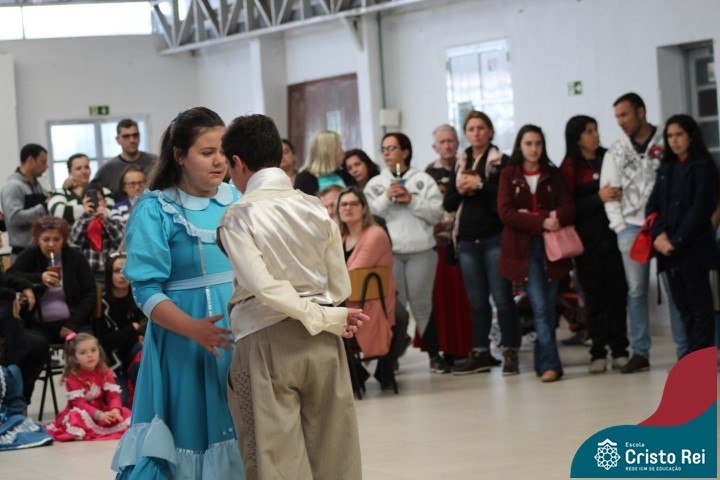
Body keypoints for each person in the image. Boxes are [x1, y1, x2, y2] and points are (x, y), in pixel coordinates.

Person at [218, 114, 365, 480]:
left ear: (237, 162)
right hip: (324, 337)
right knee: (336, 452)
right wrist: (326, 315)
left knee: (274, 458)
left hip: (265, 335)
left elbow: (262, 285)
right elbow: (339, 284)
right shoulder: (314, 206)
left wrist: (320, 316)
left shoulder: (238, 214)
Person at [111, 107, 244, 479]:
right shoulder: (156, 208)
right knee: (192, 429)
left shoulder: (236, 198)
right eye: (207, 152)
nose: (219, 161)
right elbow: (145, 290)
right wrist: (193, 329)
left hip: (238, 331)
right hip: (183, 340)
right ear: (180, 155)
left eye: (223, 151)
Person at [600, 92, 685, 373]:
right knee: (636, 291)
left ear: (640, 112)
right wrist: (619, 226)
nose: (620, 121)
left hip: (666, 226)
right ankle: (640, 352)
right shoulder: (616, 151)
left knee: (674, 287)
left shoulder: (666, 141)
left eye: (624, 114)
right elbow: (608, 192)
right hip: (631, 227)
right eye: (617, 117)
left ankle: (684, 350)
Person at [443, 113, 520, 375]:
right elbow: (448, 203)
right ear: (466, 133)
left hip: (494, 238)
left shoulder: (502, 161)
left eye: (481, 128)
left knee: (502, 298)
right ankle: (480, 352)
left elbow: (505, 200)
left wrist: (481, 185)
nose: (476, 133)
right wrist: (461, 190)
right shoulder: (460, 161)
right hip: (466, 240)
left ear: (490, 131)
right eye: (471, 129)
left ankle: (510, 351)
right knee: (477, 301)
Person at [497, 125, 575, 383]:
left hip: (552, 248)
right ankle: (551, 365)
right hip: (523, 249)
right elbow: (506, 213)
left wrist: (533, 217)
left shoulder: (553, 174)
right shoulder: (509, 175)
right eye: (529, 143)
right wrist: (541, 220)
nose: (534, 149)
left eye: (538, 143)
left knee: (548, 308)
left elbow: (568, 209)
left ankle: (543, 362)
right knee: (541, 307)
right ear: (520, 146)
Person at [364, 132, 447, 372]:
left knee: (421, 304)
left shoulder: (422, 179)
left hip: (421, 251)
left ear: (405, 151)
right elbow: (367, 216)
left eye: (392, 148)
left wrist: (411, 200)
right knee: (395, 308)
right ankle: (392, 358)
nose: (387, 153)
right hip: (389, 255)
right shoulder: (376, 184)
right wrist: (386, 198)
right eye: (384, 149)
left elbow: (436, 214)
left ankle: (434, 356)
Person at [560, 115, 630, 373]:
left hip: (614, 237)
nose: (595, 135)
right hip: (587, 243)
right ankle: (598, 352)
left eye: (596, 130)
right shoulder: (569, 166)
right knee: (594, 298)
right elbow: (569, 208)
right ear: (577, 137)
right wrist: (597, 197)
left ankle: (620, 349)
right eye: (589, 131)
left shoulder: (608, 157)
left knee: (617, 295)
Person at [646, 114, 719, 356]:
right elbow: (653, 206)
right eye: (670, 136)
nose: (674, 141)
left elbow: (700, 210)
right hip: (668, 251)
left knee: (700, 307)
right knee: (683, 307)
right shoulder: (666, 168)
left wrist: (675, 241)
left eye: (679, 135)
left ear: (691, 136)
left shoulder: (703, 167)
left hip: (693, 248)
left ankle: (700, 362)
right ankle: (690, 359)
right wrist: (660, 235)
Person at [9, 216, 96, 400]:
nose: (51, 245)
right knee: (31, 347)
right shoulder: (30, 255)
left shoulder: (75, 257)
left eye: (56, 239)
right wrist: (38, 278)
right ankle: (21, 400)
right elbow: (11, 275)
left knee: (86, 345)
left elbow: (90, 293)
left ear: (64, 239)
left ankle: (90, 400)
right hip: (38, 325)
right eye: (46, 239)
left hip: (72, 322)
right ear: (37, 239)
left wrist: (72, 324)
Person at [337, 186, 398, 389]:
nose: (348, 208)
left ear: (364, 208)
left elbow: (352, 272)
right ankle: (356, 374)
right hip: (348, 298)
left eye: (354, 204)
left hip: (370, 303)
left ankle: (356, 374)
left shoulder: (375, 234)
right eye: (344, 204)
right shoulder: (340, 236)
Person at [45, 332, 131, 441]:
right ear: (74, 358)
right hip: (85, 412)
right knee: (75, 415)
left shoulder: (105, 372)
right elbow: (79, 404)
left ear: (99, 351)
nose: (90, 355)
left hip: (102, 411)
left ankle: (107, 422)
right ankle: (82, 430)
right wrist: (98, 415)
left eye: (93, 350)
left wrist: (115, 410)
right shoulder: (73, 377)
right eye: (83, 352)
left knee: (125, 412)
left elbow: (113, 395)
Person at [95, 251, 146, 404]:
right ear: (108, 274)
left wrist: (133, 331)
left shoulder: (139, 296)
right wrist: (132, 328)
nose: (122, 276)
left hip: (133, 355)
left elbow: (145, 328)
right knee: (121, 402)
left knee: (143, 352)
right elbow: (105, 341)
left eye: (126, 271)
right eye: (117, 271)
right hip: (111, 360)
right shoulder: (100, 301)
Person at [1, 144, 51, 259]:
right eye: (43, 162)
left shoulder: (37, 185)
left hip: (40, 251)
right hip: (23, 254)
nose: (47, 166)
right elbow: (14, 218)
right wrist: (43, 207)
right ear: (31, 160)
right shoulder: (13, 186)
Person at [69, 188, 124, 283]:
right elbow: (75, 242)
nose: (95, 202)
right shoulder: (80, 222)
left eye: (99, 199)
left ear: (105, 202)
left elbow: (120, 241)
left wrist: (105, 220)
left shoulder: (115, 221)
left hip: (111, 273)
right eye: (89, 200)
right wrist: (86, 215)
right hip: (87, 273)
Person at [92, 119, 157, 199]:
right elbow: (92, 190)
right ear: (118, 140)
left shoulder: (155, 163)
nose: (132, 140)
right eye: (126, 136)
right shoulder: (107, 169)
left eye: (135, 135)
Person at [48, 153, 115, 226]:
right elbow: (57, 212)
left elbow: (111, 211)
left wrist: (76, 212)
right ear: (70, 172)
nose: (84, 172)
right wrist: (83, 209)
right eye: (78, 168)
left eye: (87, 167)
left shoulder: (104, 191)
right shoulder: (61, 192)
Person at [294, 129, 356, 195]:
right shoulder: (304, 179)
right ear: (329, 151)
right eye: (340, 147)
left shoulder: (344, 174)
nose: (343, 151)